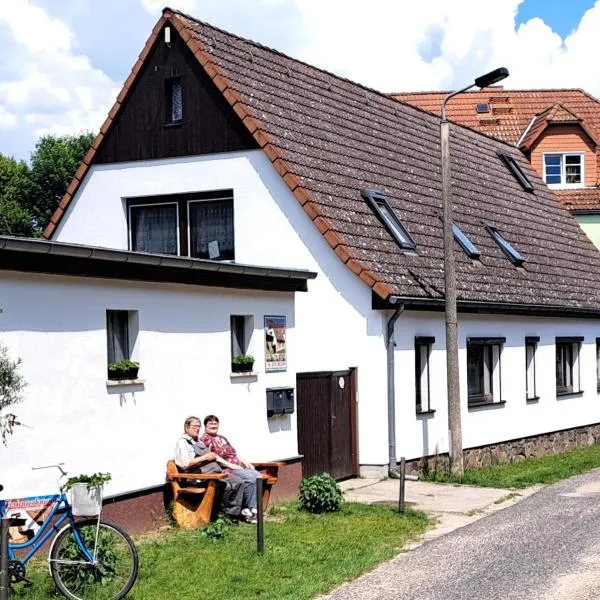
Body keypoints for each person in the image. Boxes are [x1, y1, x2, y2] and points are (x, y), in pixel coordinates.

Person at [174, 416, 254, 522]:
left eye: (198, 426)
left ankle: (232, 515)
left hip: (213, 472)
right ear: (186, 427)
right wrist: (205, 457)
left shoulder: (198, 441)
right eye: (194, 426)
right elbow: (184, 464)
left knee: (238, 482)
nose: (197, 428)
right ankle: (222, 515)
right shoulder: (183, 443)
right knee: (225, 485)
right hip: (199, 476)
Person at [200, 414, 260, 520]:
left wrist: (246, 462)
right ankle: (249, 508)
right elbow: (215, 458)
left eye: (215, 423)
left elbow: (234, 454)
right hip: (227, 469)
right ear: (205, 426)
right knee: (251, 479)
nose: (213, 425)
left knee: (258, 476)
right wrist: (232, 465)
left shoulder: (222, 438)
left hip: (237, 466)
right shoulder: (205, 439)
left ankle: (250, 508)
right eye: (210, 423)